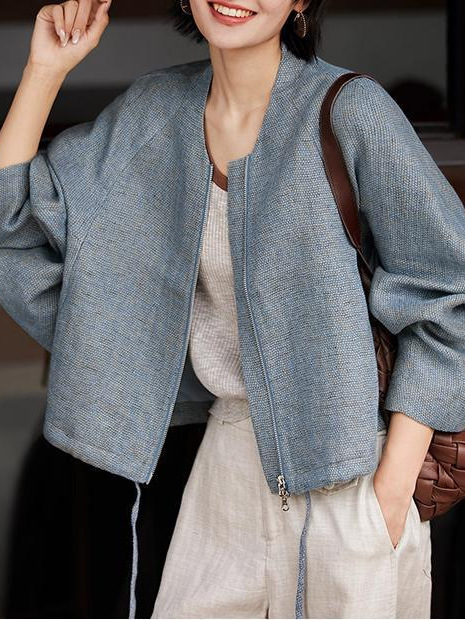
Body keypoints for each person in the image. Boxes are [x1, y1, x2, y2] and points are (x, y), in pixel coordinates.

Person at [1, 0, 465, 618]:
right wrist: (44, 70)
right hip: (222, 469)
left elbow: (452, 292)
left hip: (352, 474)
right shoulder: (152, 115)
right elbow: (10, 224)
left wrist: (389, 493)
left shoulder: (351, 111)